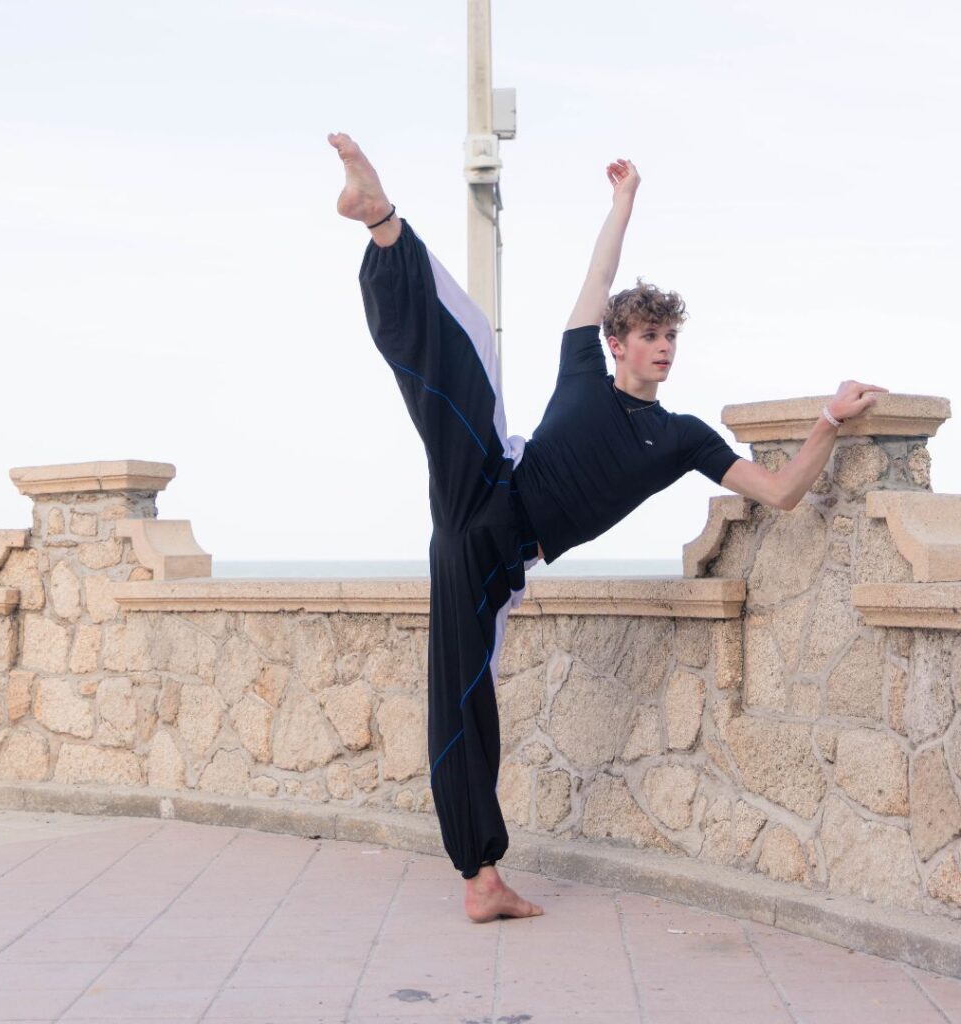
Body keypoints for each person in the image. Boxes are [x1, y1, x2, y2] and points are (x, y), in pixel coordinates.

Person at [328, 131, 886, 922]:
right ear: (617, 344)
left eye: (671, 339)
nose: (663, 350)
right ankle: (382, 222)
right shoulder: (583, 366)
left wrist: (830, 419)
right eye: (650, 337)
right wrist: (622, 204)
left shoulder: (683, 437)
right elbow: (598, 276)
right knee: (464, 360)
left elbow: (783, 491)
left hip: (493, 555)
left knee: (460, 705)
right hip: (485, 482)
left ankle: (479, 880)